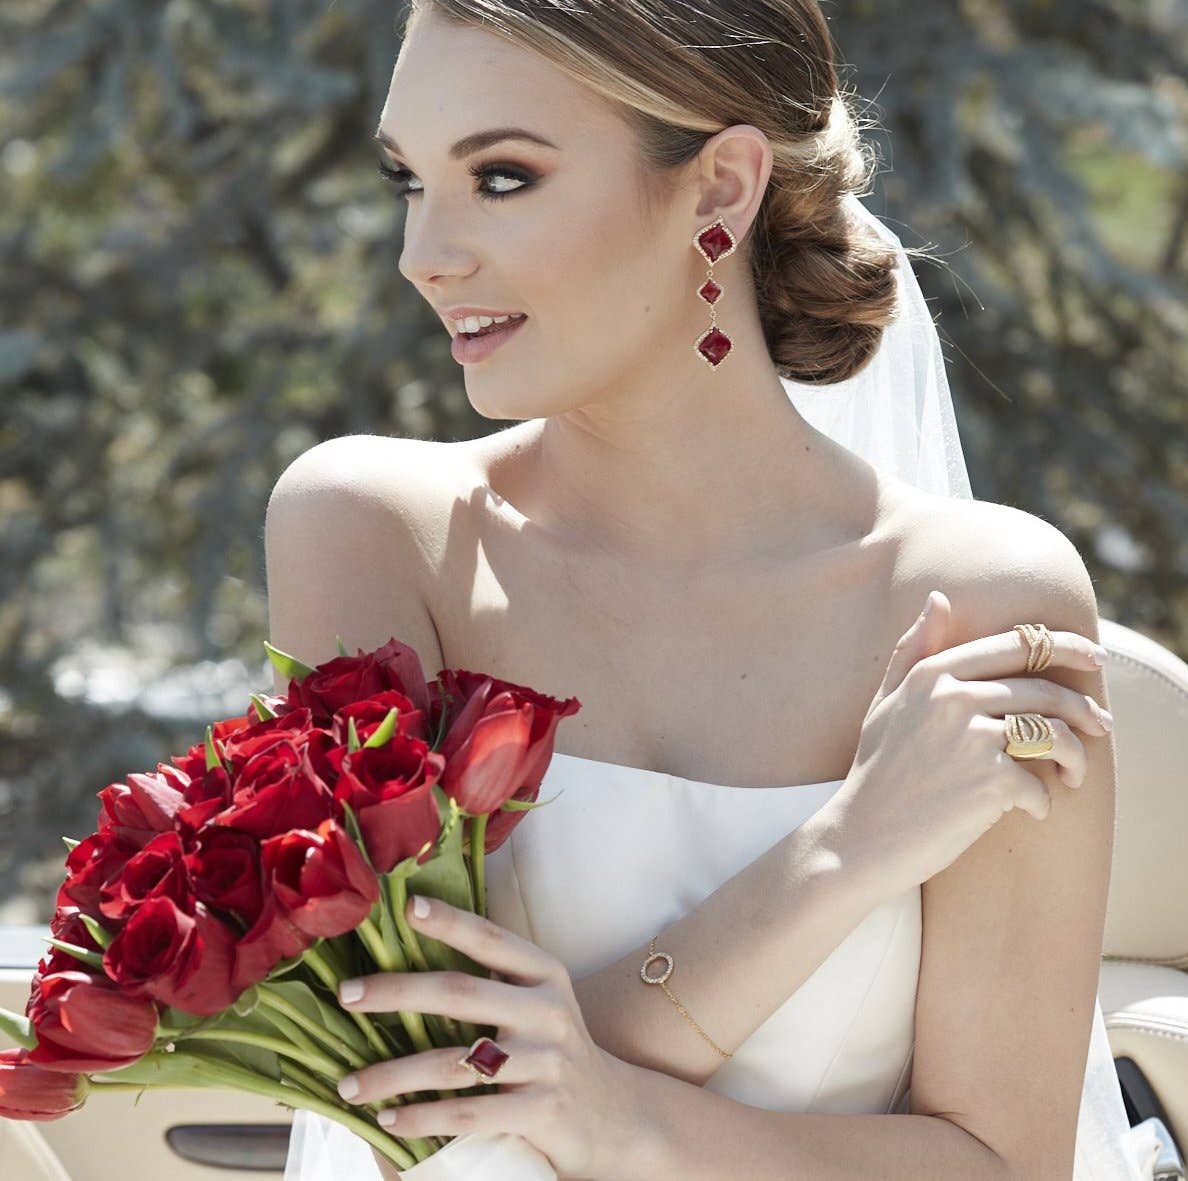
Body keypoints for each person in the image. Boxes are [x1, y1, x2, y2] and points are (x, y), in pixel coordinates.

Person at [269, 2, 1158, 1177]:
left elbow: (1003, 1163)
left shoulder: (979, 598)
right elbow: (402, 1113)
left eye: (499, 178)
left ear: (719, 190)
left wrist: (609, 1108)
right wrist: (844, 850)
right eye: (409, 182)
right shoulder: (372, 529)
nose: (424, 253)